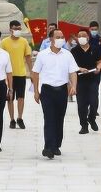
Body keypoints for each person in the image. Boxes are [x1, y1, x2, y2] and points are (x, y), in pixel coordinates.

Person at [32, 29, 78, 159]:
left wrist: (74, 86)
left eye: (62, 37)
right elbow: (35, 73)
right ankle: (48, 147)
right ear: (50, 39)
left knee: (59, 118)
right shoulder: (42, 55)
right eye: (58, 37)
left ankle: (56, 144)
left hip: (62, 90)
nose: (61, 39)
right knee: (49, 118)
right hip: (47, 90)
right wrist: (36, 91)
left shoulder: (67, 55)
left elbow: (73, 72)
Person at [0, 20, 32, 130]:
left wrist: (31, 72)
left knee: (21, 97)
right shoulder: (4, 42)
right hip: (8, 74)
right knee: (10, 98)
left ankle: (20, 118)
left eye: (19, 28)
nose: (17, 30)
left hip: (21, 74)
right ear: (10, 29)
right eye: (15, 28)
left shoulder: (24, 41)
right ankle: (12, 119)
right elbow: (0, 58)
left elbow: (28, 57)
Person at [71, 29, 101, 134]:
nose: (81, 38)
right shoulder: (74, 50)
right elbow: (72, 65)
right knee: (81, 104)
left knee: (94, 101)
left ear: (88, 38)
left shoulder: (95, 48)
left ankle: (92, 118)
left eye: (83, 36)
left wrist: (98, 67)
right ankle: (84, 125)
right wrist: (80, 68)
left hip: (93, 78)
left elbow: (99, 61)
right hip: (80, 79)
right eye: (79, 36)